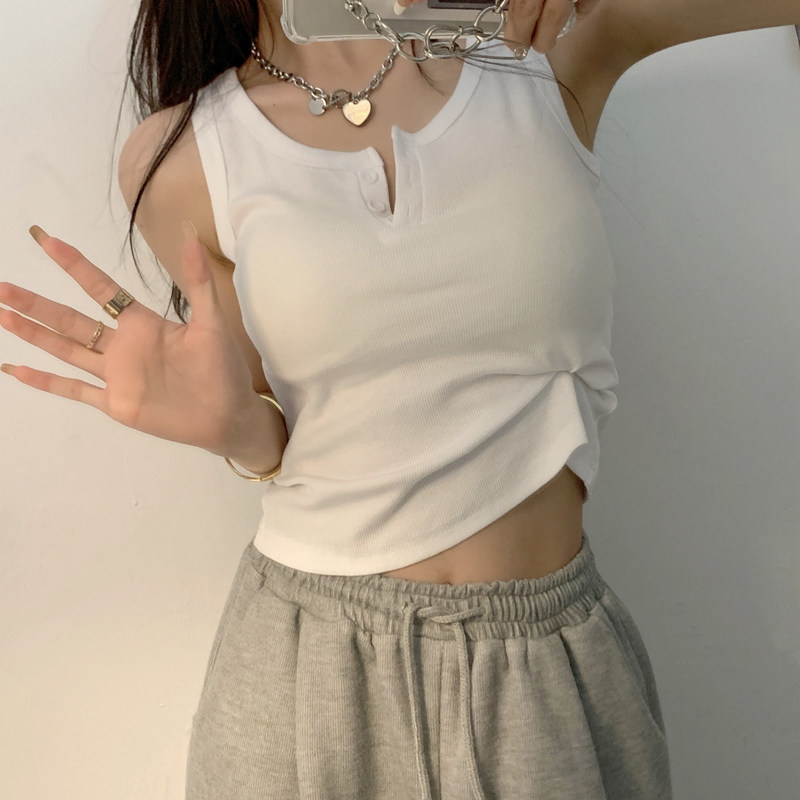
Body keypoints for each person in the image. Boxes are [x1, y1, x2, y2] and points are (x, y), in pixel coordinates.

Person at [0, 0, 672, 797]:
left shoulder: (547, 51)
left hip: (546, 669)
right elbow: (274, 425)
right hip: (304, 672)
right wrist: (239, 431)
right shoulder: (182, 155)